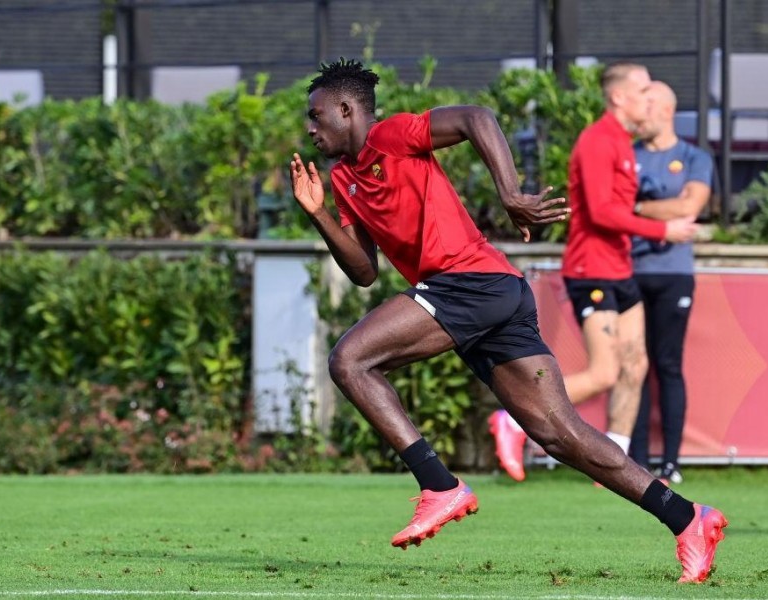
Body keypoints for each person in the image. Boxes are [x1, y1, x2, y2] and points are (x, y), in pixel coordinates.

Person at [289, 58, 726, 583]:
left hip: (470, 282)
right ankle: (687, 518)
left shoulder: (393, 134)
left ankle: (440, 484)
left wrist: (510, 194)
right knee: (560, 434)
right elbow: (362, 271)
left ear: (346, 109)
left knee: (350, 360)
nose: (310, 129)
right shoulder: (345, 178)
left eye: (316, 116)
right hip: (493, 293)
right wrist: (318, 215)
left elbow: (477, 117)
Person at [559, 63, 699, 463]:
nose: (648, 98)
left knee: (635, 367)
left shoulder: (625, 141)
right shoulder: (598, 140)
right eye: (642, 91)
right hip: (591, 270)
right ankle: (513, 419)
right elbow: (602, 212)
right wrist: (662, 229)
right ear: (619, 97)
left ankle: (612, 461)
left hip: (620, 269)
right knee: (604, 373)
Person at [628, 81, 713, 485]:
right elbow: (613, 204)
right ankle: (637, 460)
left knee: (667, 364)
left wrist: (638, 208)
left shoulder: (694, 157)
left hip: (674, 274)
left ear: (664, 109)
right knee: (635, 365)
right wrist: (661, 216)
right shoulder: (629, 156)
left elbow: (689, 205)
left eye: (645, 108)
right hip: (630, 272)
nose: (638, 117)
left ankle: (672, 462)